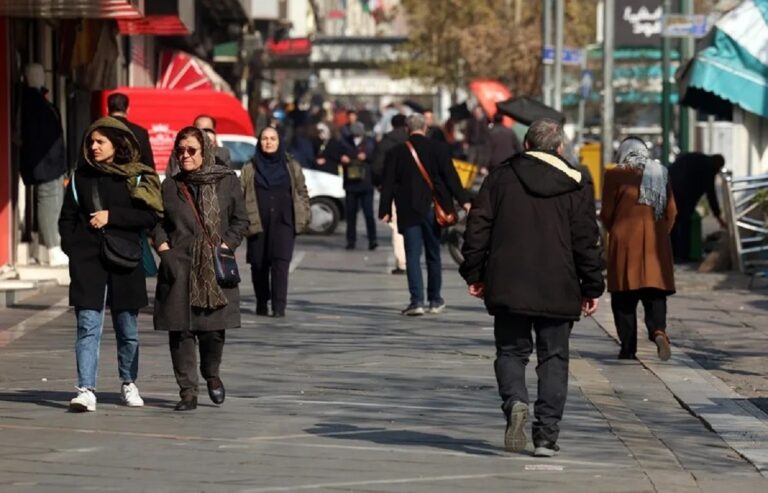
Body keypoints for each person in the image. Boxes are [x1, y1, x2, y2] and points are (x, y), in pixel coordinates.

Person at [459, 119, 604, 457]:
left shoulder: (500, 177)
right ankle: (546, 436)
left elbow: (477, 227)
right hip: (560, 284)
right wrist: (592, 285)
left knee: (511, 352)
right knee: (554, 358)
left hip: (509, 281)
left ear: (525, 146)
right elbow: (586, 239)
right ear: (560, 148)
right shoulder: (577, 183)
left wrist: (475, 272)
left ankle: (515, 402)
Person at [58, 116, 163, 412]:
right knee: (87, 325)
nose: (93, 147)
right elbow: (67, 218)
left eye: (100, 142)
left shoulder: (136, 177)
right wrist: (74, 250)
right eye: (91, 142)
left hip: (125, 259)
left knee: (127, 327)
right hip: (88, 262)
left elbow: (149, 217)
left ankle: (129, 382)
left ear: (117, 144)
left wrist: (111, 216)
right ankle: (86, 389)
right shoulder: (80, 177)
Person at [152, 126, 249, 411]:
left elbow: (240, 221)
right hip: (179, 267)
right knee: (180, 333)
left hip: (213, 267)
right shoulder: (170, 186)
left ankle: (212, 374)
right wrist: (164, 251)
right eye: (180, 151)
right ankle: (187, 392)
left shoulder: (227, 181)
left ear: (205, 151)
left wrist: (226, 245)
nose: (185, 156)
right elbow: (157, 223)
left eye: (191, 150)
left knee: (212, 332)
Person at [380, 113, 470, 315]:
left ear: (406, 129)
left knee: (412, 255)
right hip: (434, 208)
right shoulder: (438, 149)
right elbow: (451, 177)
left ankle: (416, 301)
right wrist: (464, 201)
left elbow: (388, 184)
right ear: (426, 128)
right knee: (433, 255)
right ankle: (435, 300)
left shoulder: (396, 152)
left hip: (409, 209)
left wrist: (384, 210)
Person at [600, 137, 677, 361]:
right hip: (656, 242)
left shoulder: (615, 174)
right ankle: (658, 331)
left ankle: (628, 347)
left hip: (625, 241)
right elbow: (672, 211)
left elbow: (606, 212)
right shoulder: (660, 171)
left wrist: (612, 229)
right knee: (655, 293)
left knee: (624, 297)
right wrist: (662, 233)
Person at [241, 126, 311, 317]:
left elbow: (302, 191)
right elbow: (241, 194)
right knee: (258, 265)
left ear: (279, 142)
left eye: (273, 138)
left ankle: (279, 306)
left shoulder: (291, 166)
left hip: (284, 222)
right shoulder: (250, 167)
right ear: (259, 142)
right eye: (265, 138)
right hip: (257, 223)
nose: (269, 142)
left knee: (281, 264)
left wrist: (304, 214)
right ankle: (262, 302)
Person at [19, 63, 69, 266]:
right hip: (45, 164)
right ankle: (52, 247)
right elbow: (32, 136)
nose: (40, 77)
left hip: (51, 163)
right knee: (49, 202)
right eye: (35, 74)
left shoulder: (37, 101)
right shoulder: (32, 103)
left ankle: (46, 246)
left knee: (53, 202)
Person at [668, 152, 726, 263]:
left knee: (673, 223)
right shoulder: (709, 169)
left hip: (671, 188)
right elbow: (711, 195)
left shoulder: (697, 158)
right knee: (684, 224)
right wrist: (718, 217)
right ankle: (682, 255)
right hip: (683, 194)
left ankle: (673, 254)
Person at [373, 114, 409, 274]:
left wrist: (381, 185)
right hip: (417, 190)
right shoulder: (413, 142)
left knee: (397, 226)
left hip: (394, 189)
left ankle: (402, 262)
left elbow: (376, 168)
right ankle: (413, 258)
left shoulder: (385, 143)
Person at [341, 122, 378, 250]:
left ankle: (372, 239)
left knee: (368, 213)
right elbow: (339, 153)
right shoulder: (345, 141)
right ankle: (351, 240)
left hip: (365, 182)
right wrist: (344, 158)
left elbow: (374, 156)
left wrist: (366, 156)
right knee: (350, 214)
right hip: (350, 183)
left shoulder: (369, 142)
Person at [107, 92, 156, 169]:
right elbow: (148, 165)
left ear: (107, 109)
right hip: (132, 179)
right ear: (128, 109)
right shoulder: (140, 132)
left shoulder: (98, 130)